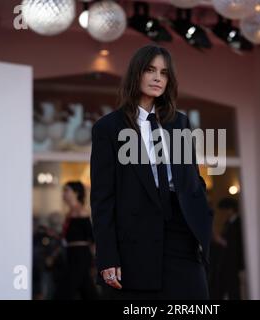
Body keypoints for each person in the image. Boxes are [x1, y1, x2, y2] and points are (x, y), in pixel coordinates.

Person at [90, 44, 213, 299]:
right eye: (150, 70)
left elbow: (192, 177)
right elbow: (102, 199)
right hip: (136, 240)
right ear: (137, 74)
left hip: (182, 236)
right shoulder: (108, 128)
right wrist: (107, 256)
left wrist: (201, 215)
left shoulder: (180, 123)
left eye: (164, 73)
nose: (158, 78)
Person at [54, 181, 98, 300]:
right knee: (87, 289)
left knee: (65, 289)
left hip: (80, 255)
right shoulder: (69, 213)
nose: (63, 194)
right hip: (71, 254)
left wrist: (94, 260)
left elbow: (91, 237)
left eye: (66, 191)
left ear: (76, 193)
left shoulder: (81, 212)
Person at [211, 198, 245, 299]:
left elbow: (236, 243)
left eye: (226, 210)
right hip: (226, 260)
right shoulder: (228, 222)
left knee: (233, 288)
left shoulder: (238, 223)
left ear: (231, 209)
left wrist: (220, 240)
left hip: (233, 261)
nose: (225, 213)